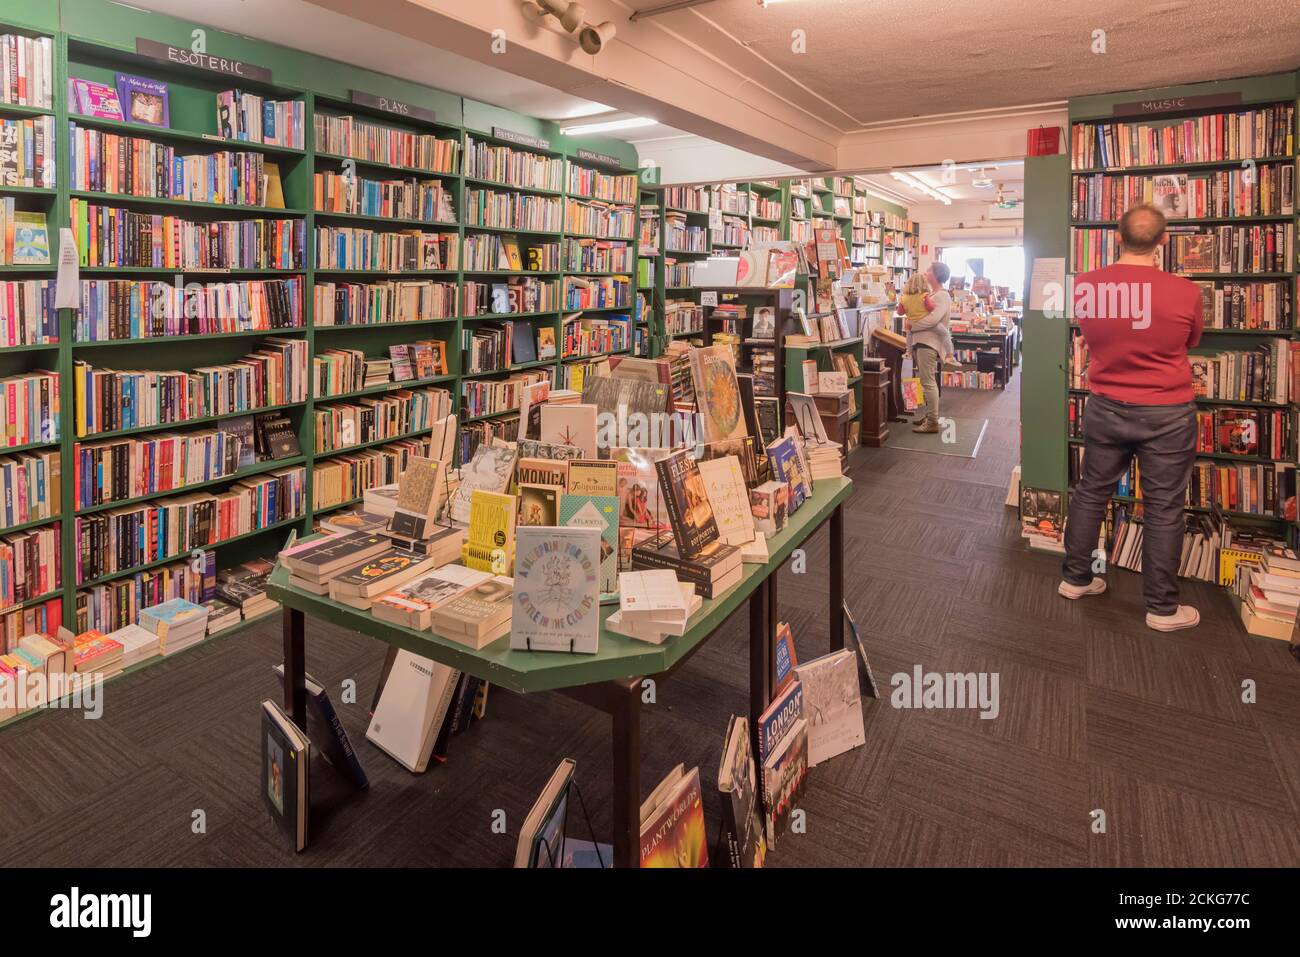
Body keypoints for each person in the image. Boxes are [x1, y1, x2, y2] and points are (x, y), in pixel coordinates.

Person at [1058, 203, 1203, 632]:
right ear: (1163, 241)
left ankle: (1075, 579)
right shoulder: (1186, 291)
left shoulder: (1086, 285)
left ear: (1116, 237)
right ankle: (1161, 609)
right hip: (1168, 413)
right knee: (1163, 508)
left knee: (1089, 493)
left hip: (1105, 405)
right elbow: (1191, 339)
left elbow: (1089, 334)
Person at [904, 261, 953, 433]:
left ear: (937, 274)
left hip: (929, 343)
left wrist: (912, 325)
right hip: (922, 342)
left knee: (928, 382)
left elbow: (933, 320)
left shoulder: (942, 296)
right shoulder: (931, 295)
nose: (926, 272)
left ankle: (932, 422)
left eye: (929, 270)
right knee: (926, 382)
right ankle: (929, 415)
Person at [897, 272, 956, 368]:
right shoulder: (924, 296)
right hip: (924, 322)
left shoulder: (903, 299)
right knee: (945, 333)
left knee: (909, 335)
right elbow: (931, 308)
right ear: (924, 284)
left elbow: (900, 312)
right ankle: (950, 355)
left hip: (911, 322)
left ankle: (909, 352)